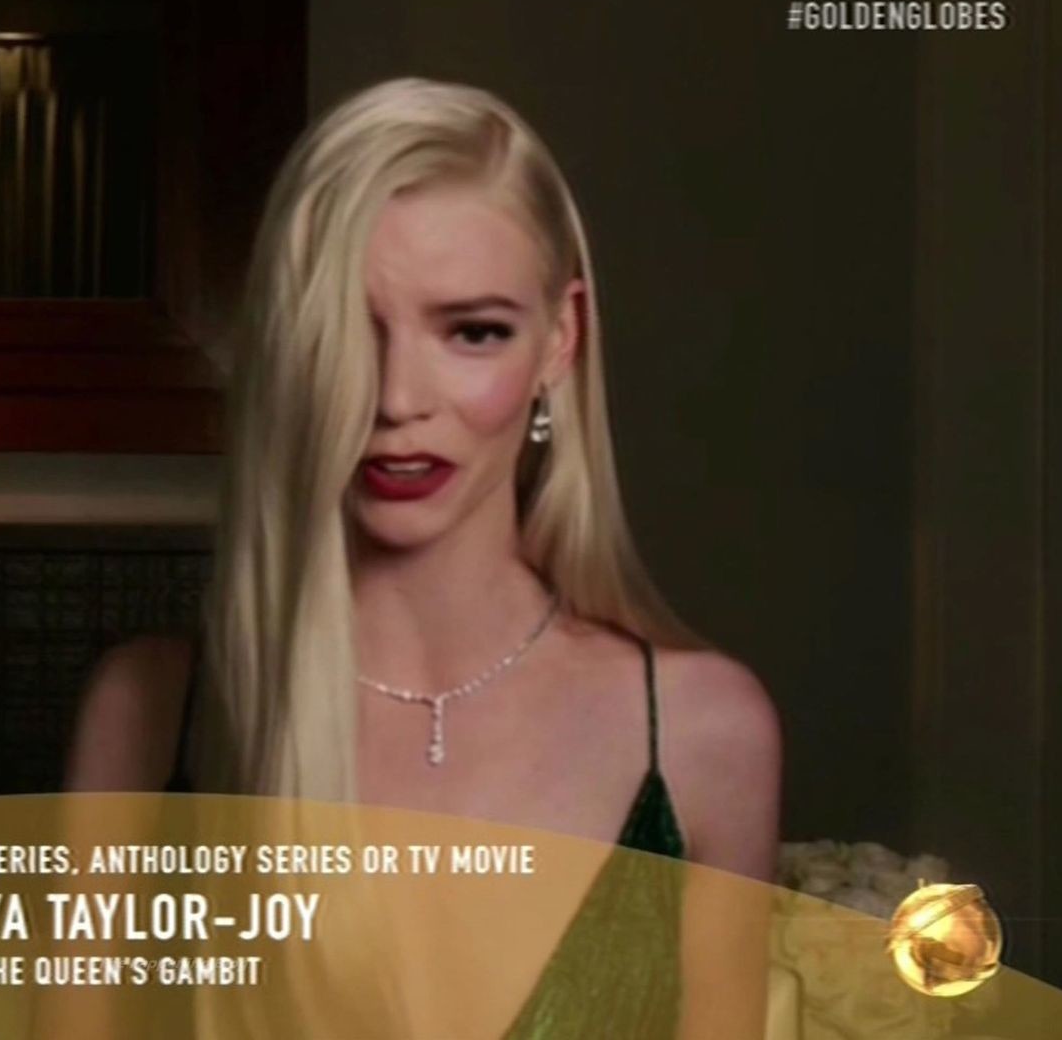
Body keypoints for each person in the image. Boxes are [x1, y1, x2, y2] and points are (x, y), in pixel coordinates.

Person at [61, 78, 782, 1038]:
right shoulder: (150, 714)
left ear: (559, 340)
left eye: (473, 332)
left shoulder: (703, 733)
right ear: (287, 350)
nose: (399, 397)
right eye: (349, 331)